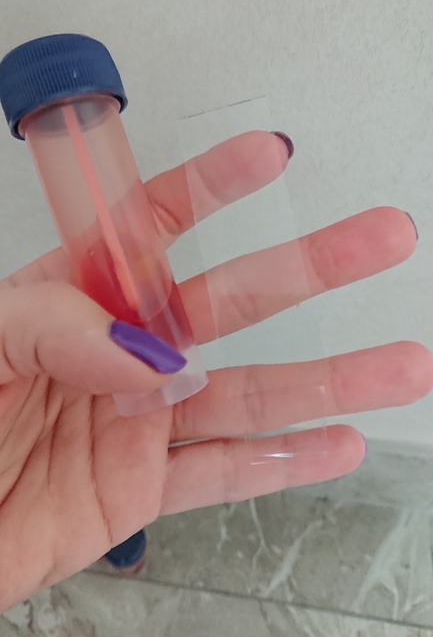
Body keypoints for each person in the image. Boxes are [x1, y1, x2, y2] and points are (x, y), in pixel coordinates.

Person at [0, 130, 430, 613]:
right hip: (92, 457)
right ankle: (124, 547)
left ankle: (123, 548)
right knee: (120, 486)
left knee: (124, 482)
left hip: (94, 457)